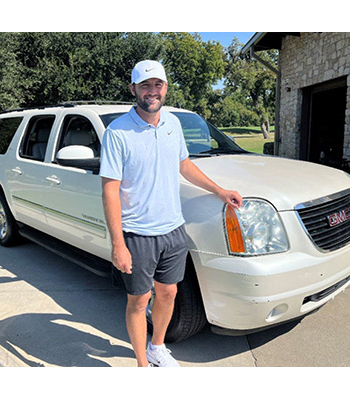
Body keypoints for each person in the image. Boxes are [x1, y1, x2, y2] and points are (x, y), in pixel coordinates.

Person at [100, 60, 242, 367]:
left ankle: (157, 347)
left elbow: (184, 165)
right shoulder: (117, 132)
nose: (152, 92)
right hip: (137, 233)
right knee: (138, 301)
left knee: (168, 294)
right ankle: (142, 365)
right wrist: (118, 244)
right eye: (145, 85)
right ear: (133, 89)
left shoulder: (172, 125)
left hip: (173, 229)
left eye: (158, 85)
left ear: (165, 88)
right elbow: (110, 189)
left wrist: (219, 191)